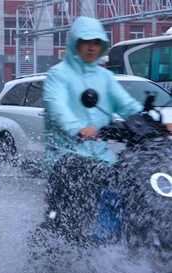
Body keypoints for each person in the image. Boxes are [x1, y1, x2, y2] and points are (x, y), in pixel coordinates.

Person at [43, 17, 143, 242]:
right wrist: (78, 128)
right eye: (85, 41)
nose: (91, 47)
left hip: (101, 157)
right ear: (75, 43)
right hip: (66, 155)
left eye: (96, 42)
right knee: (89, 182)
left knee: (131, 179)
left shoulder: (105, 77)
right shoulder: (58, 75)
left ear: (102, 45)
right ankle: (68, 241)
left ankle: (118, 239)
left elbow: (128, 105)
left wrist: (153, 122)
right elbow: (56, 107)